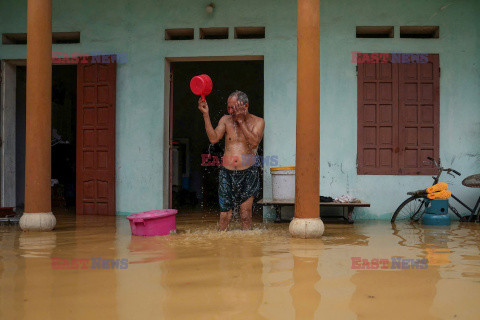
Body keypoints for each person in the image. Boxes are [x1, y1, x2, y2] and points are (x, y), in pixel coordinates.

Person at [198, 90, 265, 231]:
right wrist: (206, 115)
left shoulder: (258, 122)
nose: (230, 111)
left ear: (245, 106)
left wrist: (241, 122)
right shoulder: (225, 120)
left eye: (233, 108)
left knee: (245, 215)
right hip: (226, 173)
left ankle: (246, 248)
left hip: (249, 173)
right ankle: (223, 247)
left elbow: (253, 143)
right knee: (224, 216)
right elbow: (213, 138)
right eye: (228, 107)